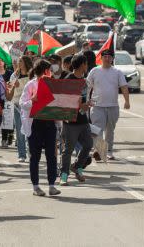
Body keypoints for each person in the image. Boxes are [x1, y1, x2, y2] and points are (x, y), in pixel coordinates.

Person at [19, 59, 61, 197]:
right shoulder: (30, 85)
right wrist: (33, 100)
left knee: (51, 156)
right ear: (43, 71)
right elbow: (22, 104)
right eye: (48, 70)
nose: (51, 73)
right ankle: (36, 186)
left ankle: (52, 185)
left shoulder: (53, 85)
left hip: (50, 124)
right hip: (35, 124)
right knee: (35, 157)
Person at [86, 49, 130, 160]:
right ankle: (101, 152)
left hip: (113, 106)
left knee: (110, 130)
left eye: (109, 57)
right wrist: (86, 101)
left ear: (112, 59)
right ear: (101, 58)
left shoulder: (117, 72)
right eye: (105, 56)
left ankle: (109, 151)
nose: (107, 58)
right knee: (97, 130)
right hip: (97, 106)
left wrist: (127, 101)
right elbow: (87, 87)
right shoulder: (94, 71)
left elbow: (124, 87)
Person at [60, 54, 94, 185]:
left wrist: (88, 103)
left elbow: (83, 99)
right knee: (68, 149)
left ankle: (77, 167)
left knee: (88, 145)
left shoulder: (84, 81)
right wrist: (80, 105)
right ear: (81, 65)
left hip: (83, 119)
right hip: (70, 121)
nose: (87, 66)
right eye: (85, 64)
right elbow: (64, 100)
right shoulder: (69, 80)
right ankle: (64, 176)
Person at [9, 55, 33, 162]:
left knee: (30, 130)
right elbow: (10, 87)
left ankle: (31, 152)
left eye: (21, 61)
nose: (19, 63)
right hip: (17, 106)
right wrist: (14, 85)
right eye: (19, 61)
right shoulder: (15, 75)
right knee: (19, 130)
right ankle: (22, 154)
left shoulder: (32, 75)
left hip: (29, 106)